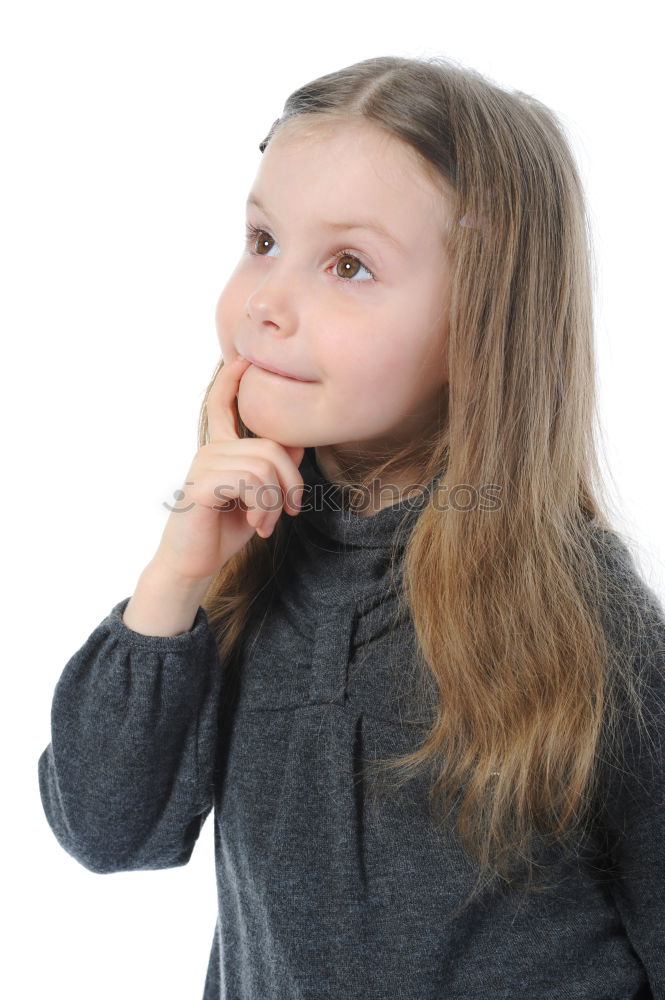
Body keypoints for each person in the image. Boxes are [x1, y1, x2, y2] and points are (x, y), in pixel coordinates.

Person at [38, 54, 665, 999]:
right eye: (261, 241)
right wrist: (174, 583)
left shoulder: (578, 606)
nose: (267, 302)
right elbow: (106, 830)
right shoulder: (241, 574)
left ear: (478, 322)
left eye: (348, 265)